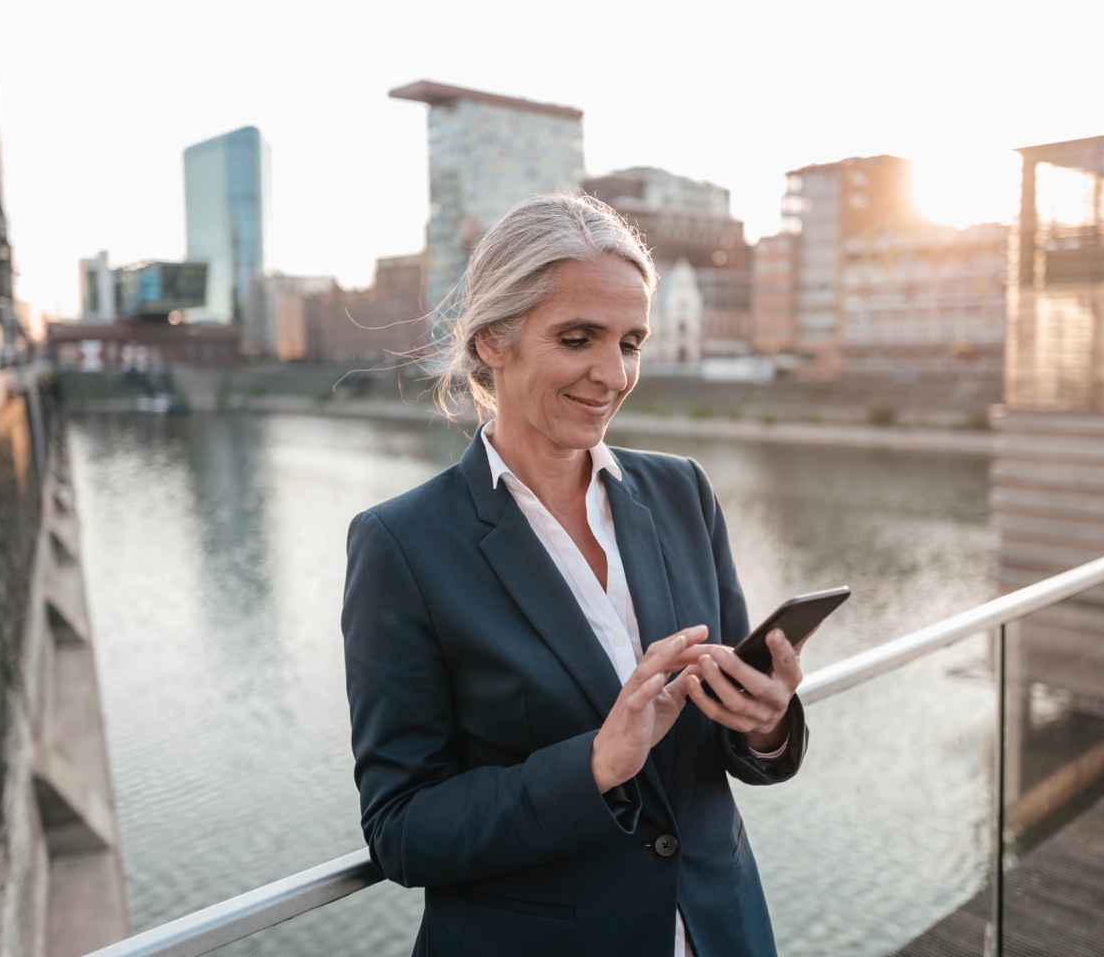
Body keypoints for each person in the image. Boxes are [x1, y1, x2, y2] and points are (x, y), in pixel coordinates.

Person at [342, 192, 809, 957]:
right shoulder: (403, 544)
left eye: (631, 342)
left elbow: (726, 748)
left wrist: (763, 723)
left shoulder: (682, 491)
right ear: (494, 338)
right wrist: (595, 763)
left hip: (720, 933)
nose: (611, 373)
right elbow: (402, 830)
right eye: (577, 338)